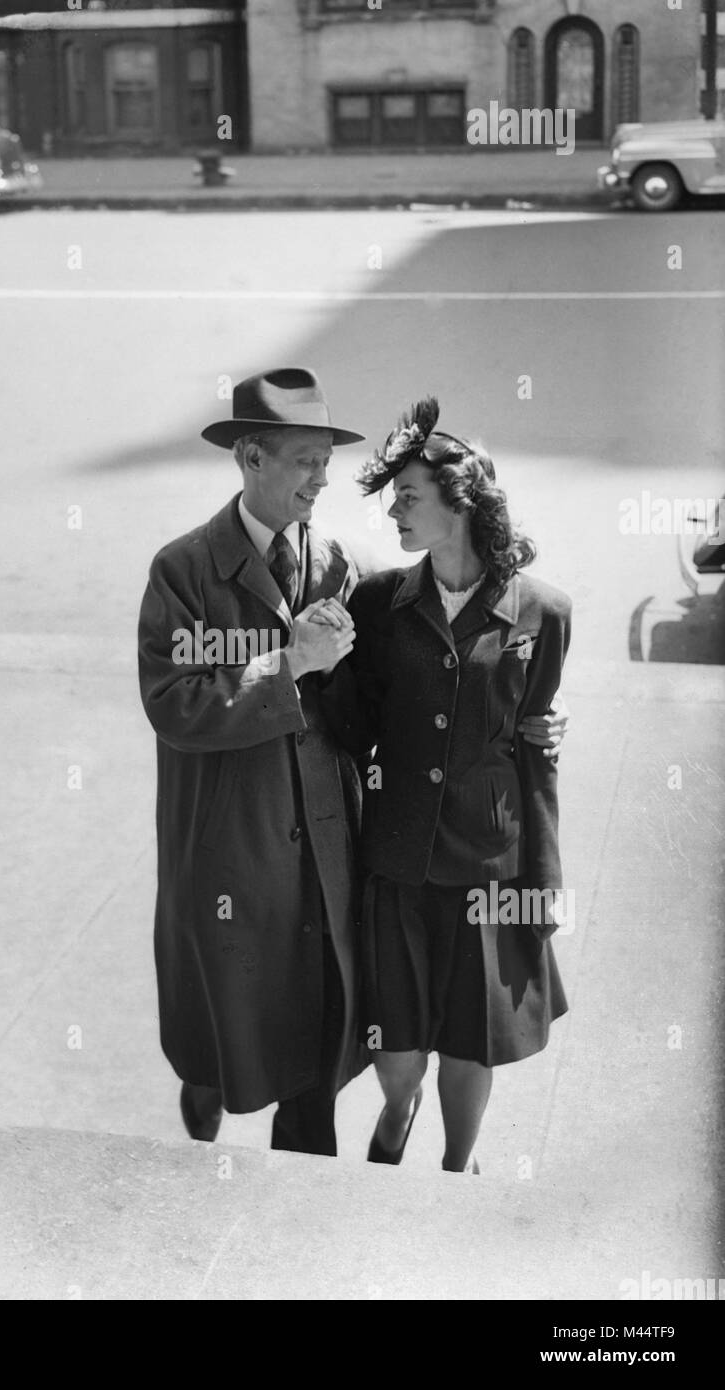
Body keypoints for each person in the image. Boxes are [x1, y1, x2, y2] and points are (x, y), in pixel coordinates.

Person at [137, 370, 566, 1158]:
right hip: (231, 854)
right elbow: (172, 704)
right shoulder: (185, 570)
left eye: (325, 462)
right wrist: (287, 666)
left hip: (330, 861)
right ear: (252, 459)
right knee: (213, 1052)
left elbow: (404, 700)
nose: (322, 479)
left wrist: (525, 729)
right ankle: (193, 1160)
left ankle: (308, 1206)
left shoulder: (344, 568)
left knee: (315, 1055)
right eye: (305, 461)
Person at [319, 398, 571, 1174]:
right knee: (397, 1057)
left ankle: (459, 1170)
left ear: (458, 501)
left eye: (408, 496)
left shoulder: (542, 611)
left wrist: (545, 882)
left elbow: (537, 749)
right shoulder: (378, 604)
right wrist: (318, 669)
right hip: (396, 861)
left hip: (489, 868)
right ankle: (400, 1111)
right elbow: (349, 727)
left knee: (471, 1043)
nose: (393, 511)